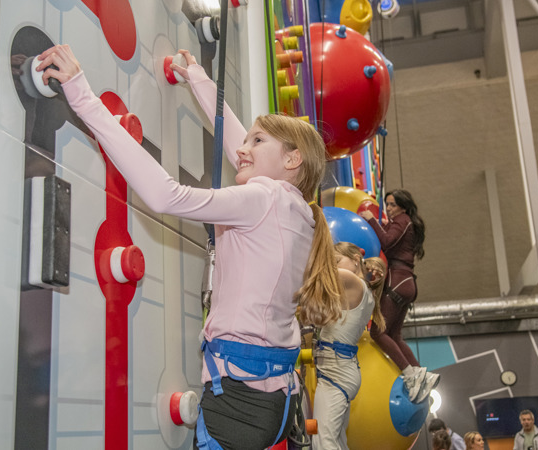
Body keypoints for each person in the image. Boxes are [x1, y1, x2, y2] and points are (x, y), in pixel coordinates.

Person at [36, 46, 343, 449]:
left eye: (258, 139)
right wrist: (200, 83)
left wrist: (83, 96)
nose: (242, 149)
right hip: (273, 399)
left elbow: (166, 196)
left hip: (238, 398)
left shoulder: (263, 199)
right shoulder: (299, 211)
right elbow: (248, 151)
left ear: (293, 160)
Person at [359, 189, 437, 403]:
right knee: (394, 335)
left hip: (397, 281)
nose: (389, 208)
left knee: (377, 332)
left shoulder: (402, 221)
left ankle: (411, 376)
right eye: (388, 204)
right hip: (406, 281)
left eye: (393, 204)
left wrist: (372, 220)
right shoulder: (405, 222)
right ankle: (421, 375)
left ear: (403, 206)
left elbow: (386, 242)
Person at [311, 243, 386, 450]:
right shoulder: (358, 287)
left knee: (323, 441)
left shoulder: (354, 282)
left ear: (355, 259)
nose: (333, 266)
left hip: (337, 370)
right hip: (337, 368)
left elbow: (319, 272)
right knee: (334, 440)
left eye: (336, 261)